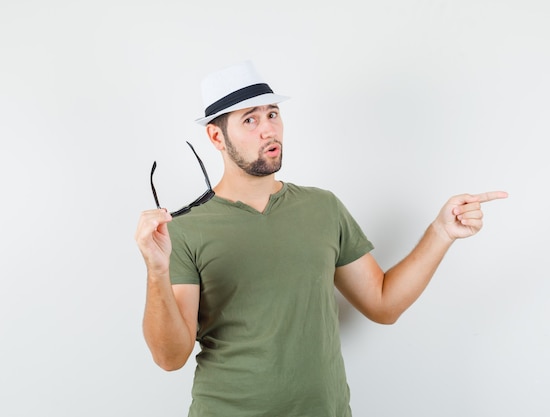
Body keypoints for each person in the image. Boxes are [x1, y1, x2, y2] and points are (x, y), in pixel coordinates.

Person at [135, 61, 508, 416]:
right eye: (250, 120)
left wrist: (441, 232)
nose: (268, 130)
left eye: (272, 114)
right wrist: (156, 270)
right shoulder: (183, 230)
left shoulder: (323, 208)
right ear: (216, 136)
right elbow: (170, 358)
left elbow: (383, 303)